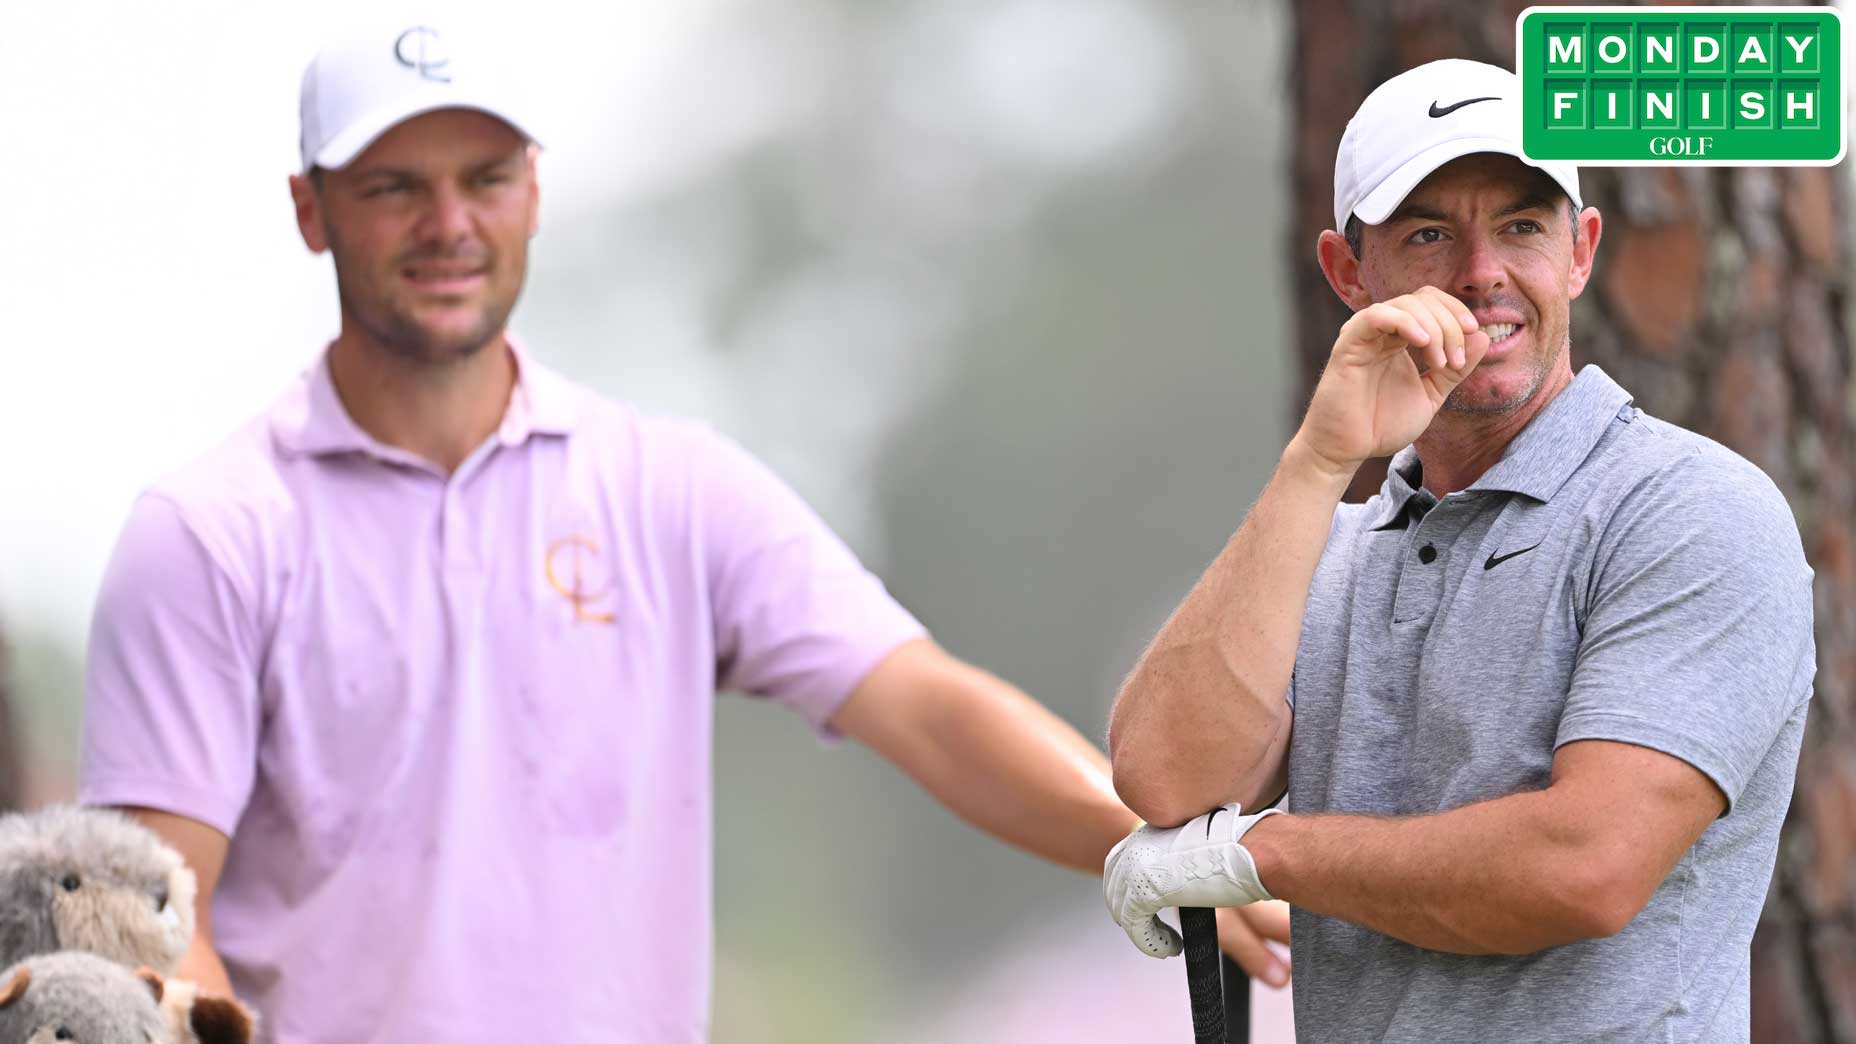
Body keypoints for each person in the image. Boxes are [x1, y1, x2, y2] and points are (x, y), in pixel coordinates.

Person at [76, 20, 1288, 1042]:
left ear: (532, 190)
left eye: (484, 177)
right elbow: (156, 924)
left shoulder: (665, 488)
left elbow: (924, 708)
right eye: (394, 187)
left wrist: (1147, 848)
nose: (448, 223)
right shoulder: (213, 533)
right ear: (311, 211)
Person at [1102, 58, 1814, 1043]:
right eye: (1428, 233)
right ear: (1348, 274)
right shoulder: (1329, 546)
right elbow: (1166, 779)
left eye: (1520, 226)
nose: (1480, 272)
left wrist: (1259, 854)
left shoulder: (1687, 510)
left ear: (1579, 251)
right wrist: (1317, 461)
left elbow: (1583, 866)